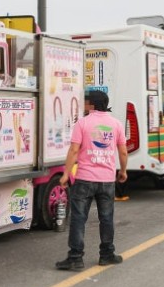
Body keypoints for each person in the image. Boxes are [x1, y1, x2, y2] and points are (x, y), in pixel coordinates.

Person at [55, 90, 128, 270]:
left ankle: (75, 258)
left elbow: (74, 150)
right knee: (106, 218)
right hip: (107, 180)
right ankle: (107, 255)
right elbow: (123, 151)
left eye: (86, 102)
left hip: (84, 179)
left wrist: (66, 174)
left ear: (91, 104)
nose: (84, 105)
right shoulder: (116, 124)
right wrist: (123, 171)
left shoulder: (83, 123)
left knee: (78, 219)